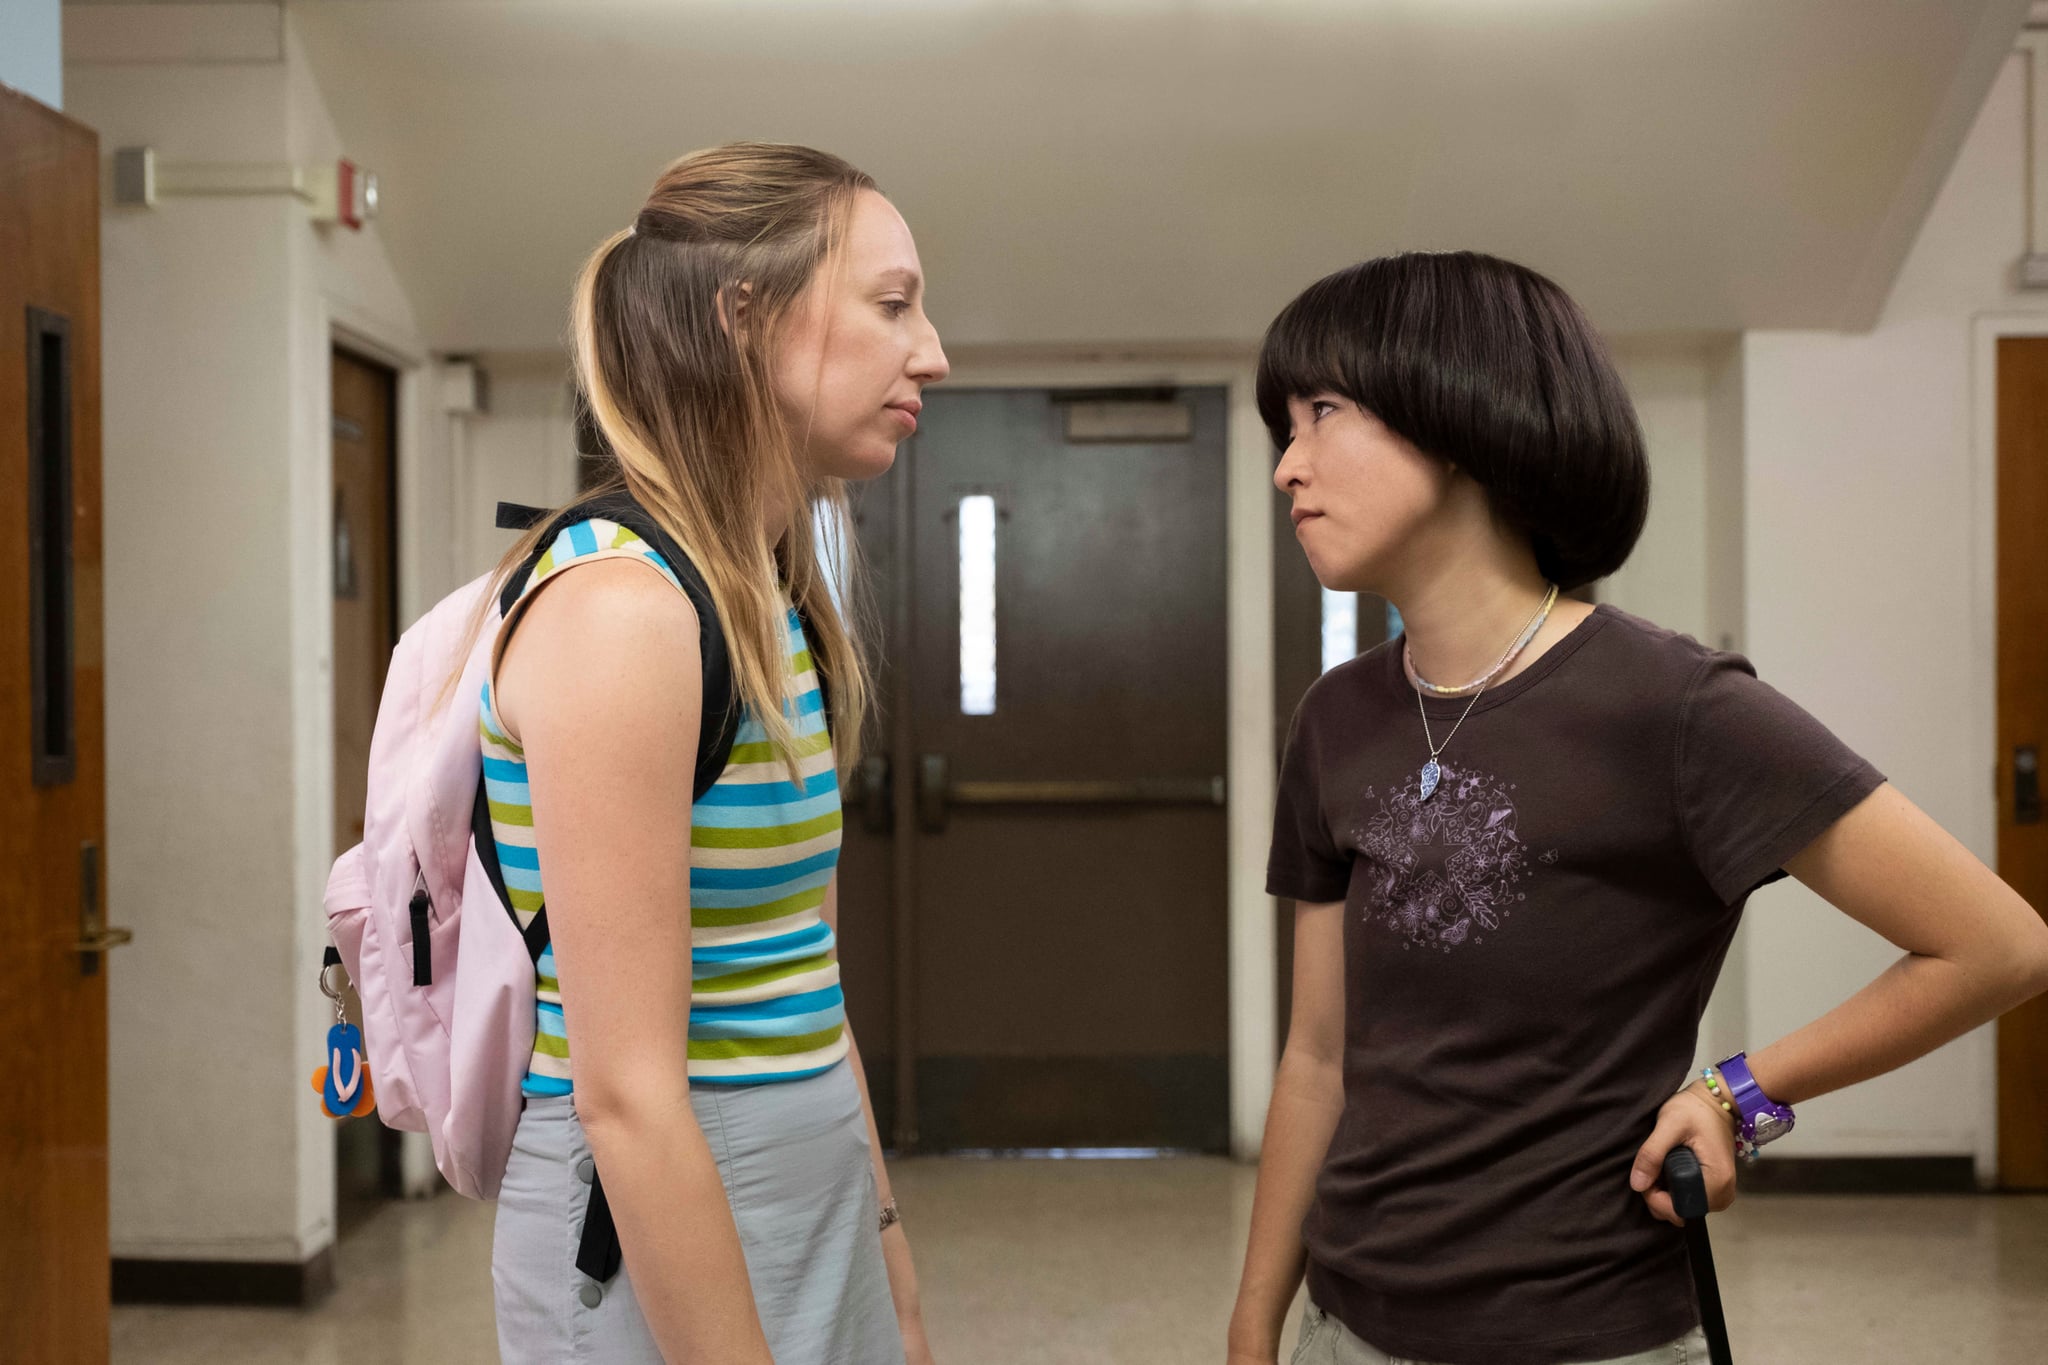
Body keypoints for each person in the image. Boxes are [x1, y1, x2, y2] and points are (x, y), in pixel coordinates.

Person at [1226, 250, 2048, 1365]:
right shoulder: (1335, 717)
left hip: (1587, 1332)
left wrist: (1737, 1093)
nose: (1288, 466)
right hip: (1352, 1322)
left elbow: (1996, 946)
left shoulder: (1675, 707)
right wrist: (1253, 1324)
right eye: (1284, 425)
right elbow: (1316, 1059)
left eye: (1322, 413)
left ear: (1459, 416)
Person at [485, 142, 947, 1365]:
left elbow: (804, 974)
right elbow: (627, 1094)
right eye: (892, 305)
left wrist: (887, 1268)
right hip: (658, 1208)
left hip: (799, 1183)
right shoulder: (624, 612)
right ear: (745, 319)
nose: (931, 351)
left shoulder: (773, 594)